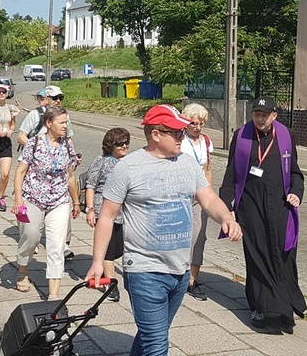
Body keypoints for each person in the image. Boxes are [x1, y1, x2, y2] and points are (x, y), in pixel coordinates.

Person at [85, 104, 242, 356]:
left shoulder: (188, 163)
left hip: (179, 269)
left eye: (183, 131)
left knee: (153, 335)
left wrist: (226, 217)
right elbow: (107, 216)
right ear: (156, 134)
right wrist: (96, 261)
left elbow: (209, 198)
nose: (183, 135)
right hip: (145, 270)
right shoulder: (127, 168)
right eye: (176, 132)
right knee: (157, 345)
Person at [219, 96, 306, 333]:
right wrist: (226, 207)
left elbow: (296, 173)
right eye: (256, 113)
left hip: (281, 207)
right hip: (251, 208)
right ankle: (259, 307)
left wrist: (296, 193)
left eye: (264, 114)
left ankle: (284, 307)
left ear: (274, 116)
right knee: (257, 257)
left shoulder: (286, 135)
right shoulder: (242, 135)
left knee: (282, 256)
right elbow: (230, 174)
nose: (259, 118)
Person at [12, 106, 80, 299]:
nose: (66, 126)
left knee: (57, 245)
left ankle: (54, 295)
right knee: (31, 237)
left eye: (66, 122)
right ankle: (23, 269)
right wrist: (18, 199)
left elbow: (71, 176)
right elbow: (20, 172)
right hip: (33, 198)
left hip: (59, 201)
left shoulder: (68, 145)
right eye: (62, 123)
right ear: (49, 124)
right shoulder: (34, 143)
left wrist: (76, 202)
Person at [85, 127, 130, 302]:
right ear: (111, 145)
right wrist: (90, 209)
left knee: (118, 248)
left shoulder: (128, 162)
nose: (124, 146)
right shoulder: (101, 161)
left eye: (127, 143)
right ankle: (111, 284)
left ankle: (103, 266)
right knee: (110, 249)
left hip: (123, 212)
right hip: (103, 208)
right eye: (120, 144)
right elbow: (91, 185)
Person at [180, 103, 213, 301]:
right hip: (181, 194)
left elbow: (207, 169)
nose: (197, 127)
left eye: (201, 123)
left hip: (199, 195)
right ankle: (177, 275)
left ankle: (192, 279)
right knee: (181, 236)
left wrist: (210, 197)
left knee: (198, 237)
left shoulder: (206, 141)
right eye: (193, 123)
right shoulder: (179, 139)